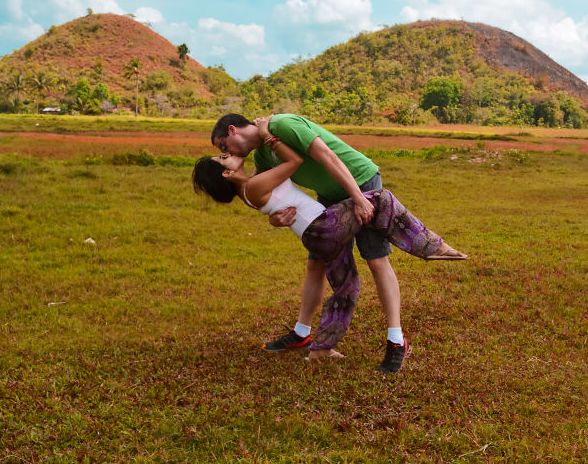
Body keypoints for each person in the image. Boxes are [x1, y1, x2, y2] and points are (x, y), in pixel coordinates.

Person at [191, 139, 466, 373]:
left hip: (315, 237)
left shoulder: (248, 188)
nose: (227, 154)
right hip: (324, 226)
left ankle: (321, 349)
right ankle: (430, 247)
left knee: (347, 287)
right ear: (226, 175)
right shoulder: (254, 185)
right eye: (222, 158)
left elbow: (275, 201)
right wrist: (270, 138)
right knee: (380, 199)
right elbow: (294, 162)